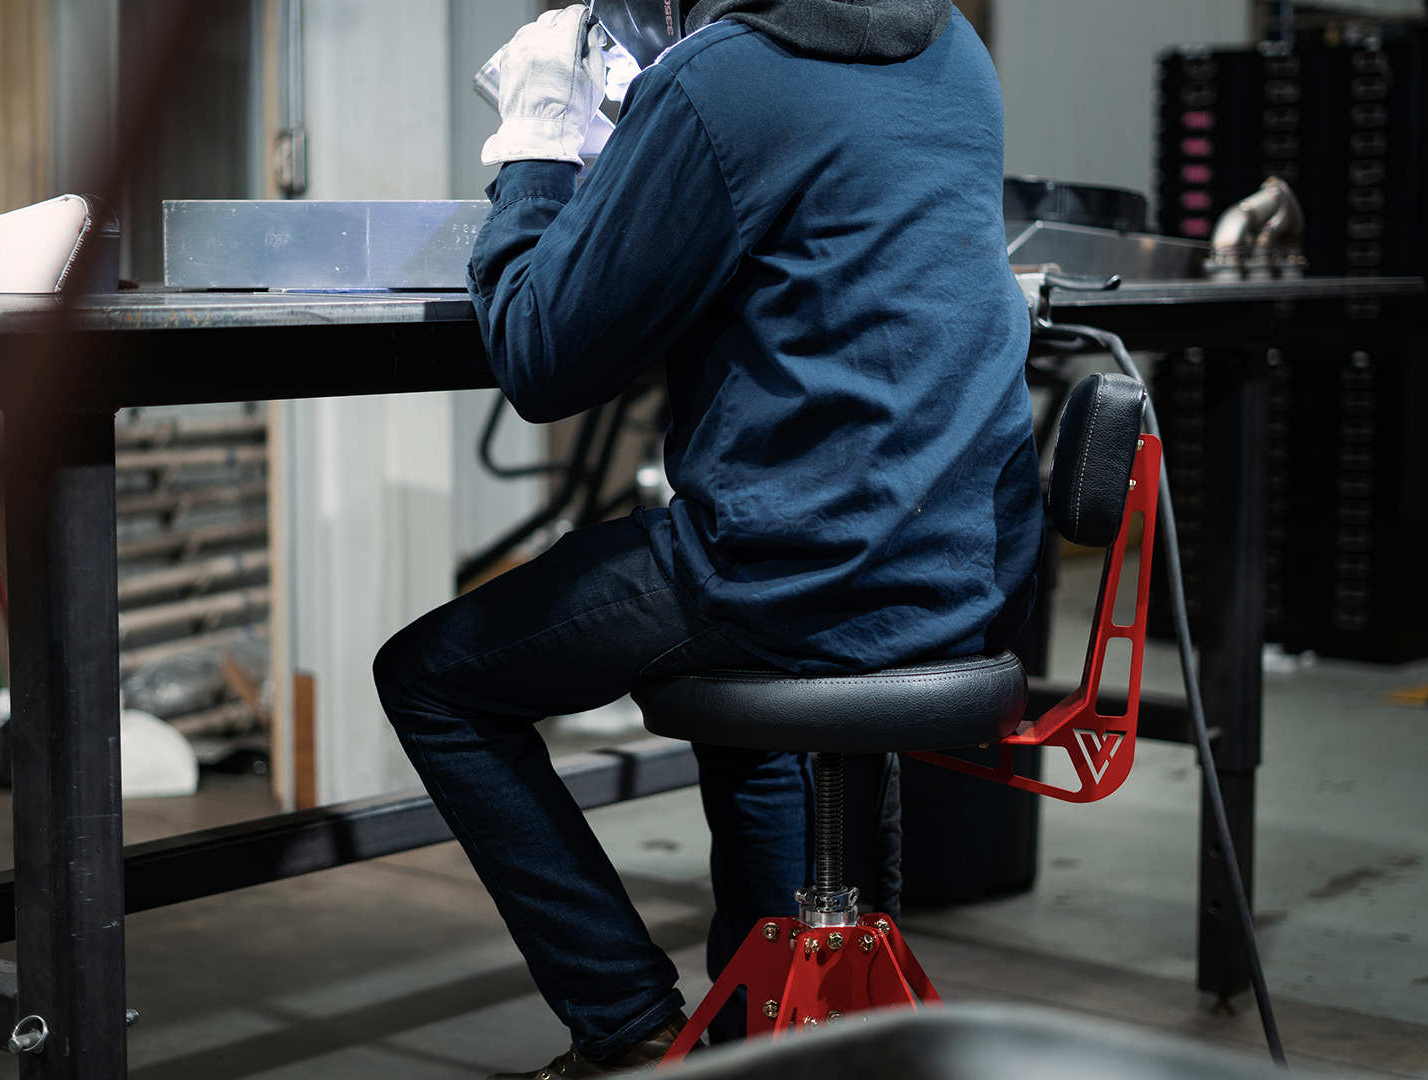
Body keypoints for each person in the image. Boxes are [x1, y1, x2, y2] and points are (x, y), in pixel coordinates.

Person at [372, 1, 1039, 1075]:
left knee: (432, 681)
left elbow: (540, 355)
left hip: (796, 577)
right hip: (960, 570)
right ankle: (758, 1042)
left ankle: (628, 1029)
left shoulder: (722, 79)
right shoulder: (955, 46)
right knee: (765, 705)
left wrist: (540, 142)